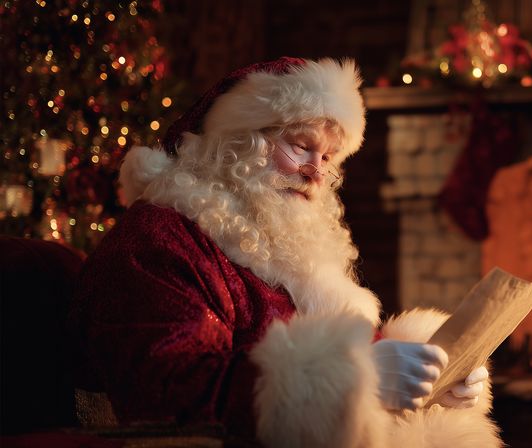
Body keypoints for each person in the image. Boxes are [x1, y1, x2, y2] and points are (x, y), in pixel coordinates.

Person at [70, 57, 502, 447]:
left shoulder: (286, 252)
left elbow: (367, 353)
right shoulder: (159, 239)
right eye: (300, 146)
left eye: (328, 157)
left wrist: (430, 378)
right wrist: (353, 378)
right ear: (237, 143)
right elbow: (166, 390)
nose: (317, 173)